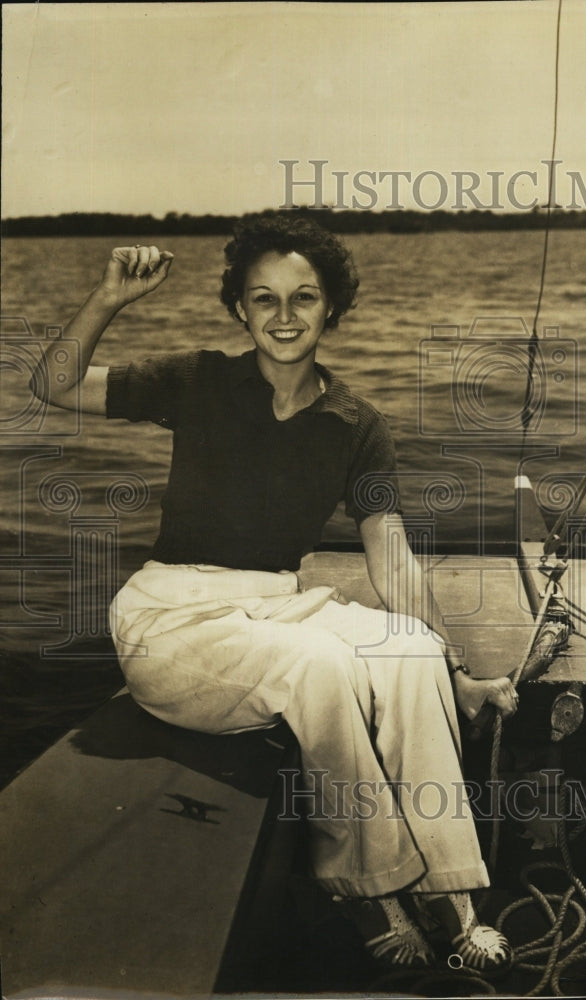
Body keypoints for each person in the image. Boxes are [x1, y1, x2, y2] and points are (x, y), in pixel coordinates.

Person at [34, 213, 519, 974]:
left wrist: (456, 673)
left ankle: (453, 897)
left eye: (304, 298)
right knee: (320, 668)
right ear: (239, 310)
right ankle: (369, 892)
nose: (285, 317)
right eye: (264, 300)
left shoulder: (356, 424)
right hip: (171, 618)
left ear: (333, 309)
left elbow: (392, 559)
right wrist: (107, 299)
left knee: (411, 649)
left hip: (272, 604)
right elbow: (52, 386)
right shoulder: (197, 382)